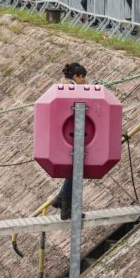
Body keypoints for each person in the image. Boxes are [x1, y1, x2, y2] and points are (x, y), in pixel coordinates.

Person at [51, 62, 87, 220]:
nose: (84, 81)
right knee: (74, 171)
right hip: (71, 134)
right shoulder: (70, 89)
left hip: (64, 134)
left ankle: (61, 201)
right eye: (83, 78)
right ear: (75, 77)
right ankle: (66, 208)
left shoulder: (63, 86)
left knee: (73, 170)